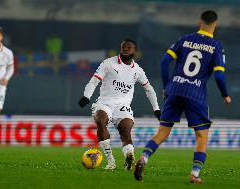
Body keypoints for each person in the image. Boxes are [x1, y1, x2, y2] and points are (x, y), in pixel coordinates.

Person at [134, 10, 232, 183]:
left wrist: (167, 87)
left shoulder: (184, 39)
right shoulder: (216, 46)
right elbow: (219, 75)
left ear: (199, 22)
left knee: (162, 132)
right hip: (196, 94)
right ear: (215, 25)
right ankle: (194, 174)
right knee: (202, 135)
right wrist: (225, 95)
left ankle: (144, 158)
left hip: (176, 90)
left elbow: (164, 62)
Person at [78, 39, 160, 170]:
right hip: (105, 102)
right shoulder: (109, 63)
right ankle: (111, 161)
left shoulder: (138, 70)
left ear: (135, 51)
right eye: (123, 47)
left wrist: (156, 109)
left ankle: (129, 155)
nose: (125, 49)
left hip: (123, 106)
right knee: (101, 119)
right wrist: (86, 96)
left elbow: (148, 89)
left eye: (129, 47)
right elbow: (94, 81)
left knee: (125, 130)